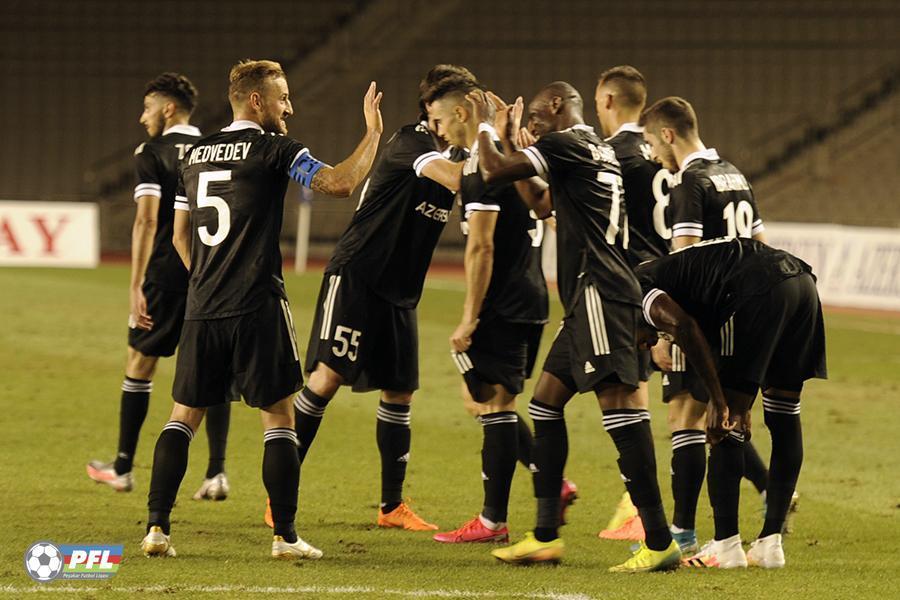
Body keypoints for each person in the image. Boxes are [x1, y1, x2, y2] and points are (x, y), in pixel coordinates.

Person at [140, 59, 383, 560]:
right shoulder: (274, 149)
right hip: (257, 304)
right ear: (257, 100)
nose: (289, 107)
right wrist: (373, 133)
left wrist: (208, 279)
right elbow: (339, 183)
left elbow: (180, 235)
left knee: (183, 416)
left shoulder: (195, 155)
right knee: (279, 419)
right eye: (283, 97)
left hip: (203, 307)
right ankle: (285, 537)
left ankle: (157, 530)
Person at [467, 83, 681, 572]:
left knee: (621, 409)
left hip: (601, 294)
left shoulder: (566, 143)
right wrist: (517, 144)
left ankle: (659, 539)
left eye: (536, 116)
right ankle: (545, 536)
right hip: (589, 298)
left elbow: (492, 170)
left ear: (558, 106)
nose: (533, 125)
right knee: (545, 404)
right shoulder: (595, 148)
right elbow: (542, 205)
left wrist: (487, 128)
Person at [291, 65, 474, 533]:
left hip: (399, 290)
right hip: (359, 275)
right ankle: (281, 493)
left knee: (399, 390)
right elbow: (457, 179)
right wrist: (496, 144)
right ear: (434, 109)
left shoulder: (459, 149)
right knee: (327, 378)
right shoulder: (413, 142)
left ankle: (391, 506)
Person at [635, 237, 826, 568]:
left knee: (725, 424)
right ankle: (770, 545)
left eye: (632, 339)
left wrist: (719, 398)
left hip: (757, 286)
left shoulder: (634, 289)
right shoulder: (670, 274)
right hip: (801, 283)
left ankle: (726, 546)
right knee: (784, 413)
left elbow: (684, 326)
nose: (643, 346)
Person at [640, 95, 778, 549]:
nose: (652, 154)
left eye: (651, 142)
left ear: (668, 134)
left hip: (704, 315)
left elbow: (683, 260)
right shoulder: (734, 174)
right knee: (729, 414)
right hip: (744, 313)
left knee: (685, 417)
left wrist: (667, 331)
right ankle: (762, 503)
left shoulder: (689, 181)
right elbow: (761, 244)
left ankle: (683, 533)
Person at [87, 73, 232, 501]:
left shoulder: (152, 152)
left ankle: (123, 467)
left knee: (140, 361)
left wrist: (136, 284)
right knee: (213, 370)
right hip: (209, 274)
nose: (142, 116)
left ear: (169, 109)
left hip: (166, 275)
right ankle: (216, 473)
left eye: (148, 107)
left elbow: (147, 220)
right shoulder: (213, 148)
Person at [424, 76, 550, 544]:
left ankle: (495, 520)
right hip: (532, 296)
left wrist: (469, 315)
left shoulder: (483, 165)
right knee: (488, 401)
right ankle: (548, 482)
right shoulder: (512, 159)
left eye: (439, 119)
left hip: (502, 302)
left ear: (461, 114)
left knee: (492, 405)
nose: (436, 130)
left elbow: (481, 248)